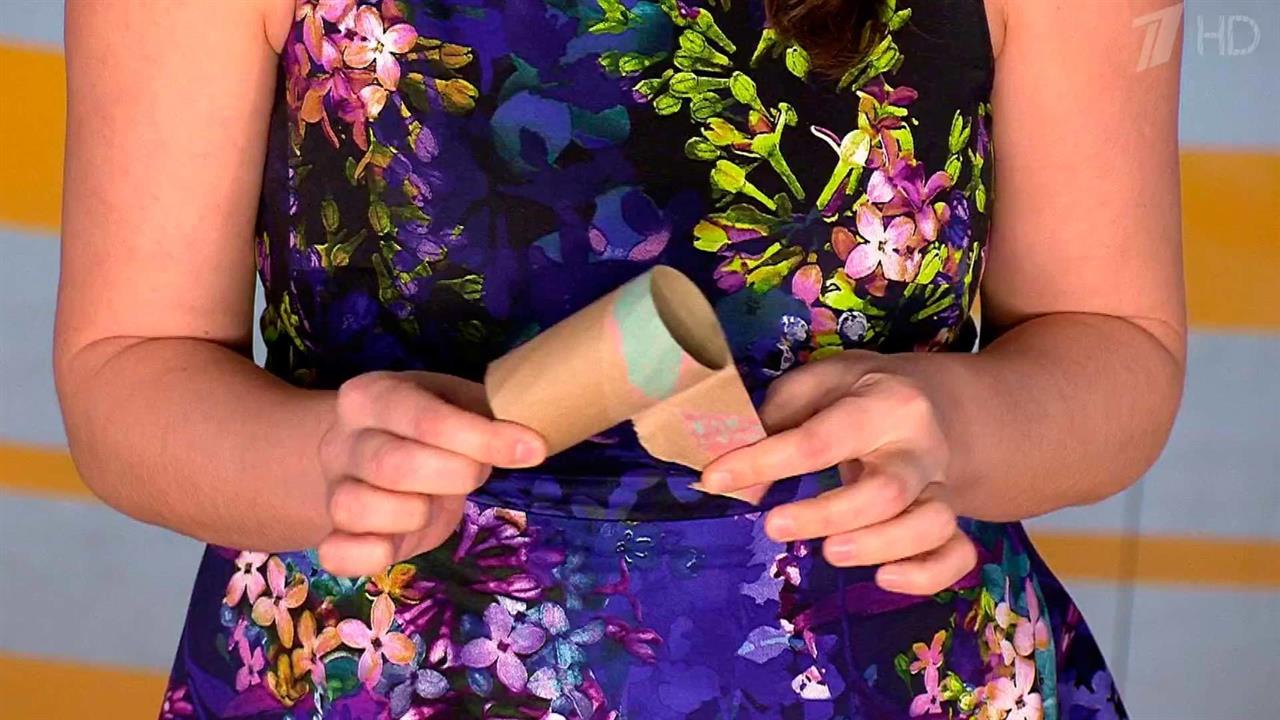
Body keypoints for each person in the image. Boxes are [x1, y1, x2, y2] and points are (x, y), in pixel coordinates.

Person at [54, 0, 1183, 716]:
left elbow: (1116, 347)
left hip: (884, 672)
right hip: (369, 671)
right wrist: (314, 461)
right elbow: (126, 365)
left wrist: (960, 429)